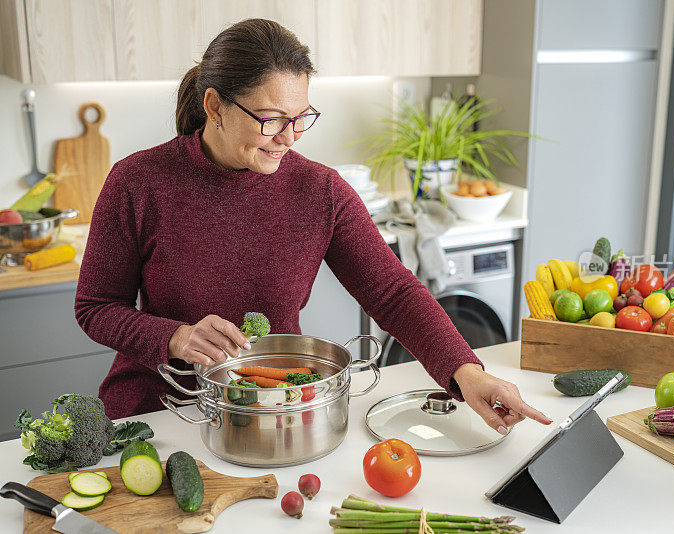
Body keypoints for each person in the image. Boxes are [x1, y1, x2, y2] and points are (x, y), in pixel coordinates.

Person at [75, 18, 551, 434]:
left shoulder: (319, 190)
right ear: (215, 106)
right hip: (161, 414)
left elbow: (392, 292)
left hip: (275, 414)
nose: (287, 138)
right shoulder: (139, 181)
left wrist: (465, 371)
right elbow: (95, 307)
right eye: (270, 119)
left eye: (300, 118)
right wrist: (174, 337)